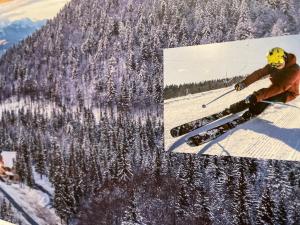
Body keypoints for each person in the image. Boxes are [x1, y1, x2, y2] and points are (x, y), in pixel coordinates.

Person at [230, 47, 300, 119]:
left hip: (288, 92)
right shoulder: (275, 64)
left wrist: (257, 96)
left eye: (279, 62)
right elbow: (259, 73)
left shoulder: (294, 70)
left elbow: (280, 87)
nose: (277, 66)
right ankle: (237, 107)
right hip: (276, 87)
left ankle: (253, 112)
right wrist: (244, 83)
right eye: (274, 64)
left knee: (267, 97)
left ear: (284, 57)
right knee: (257, 95)